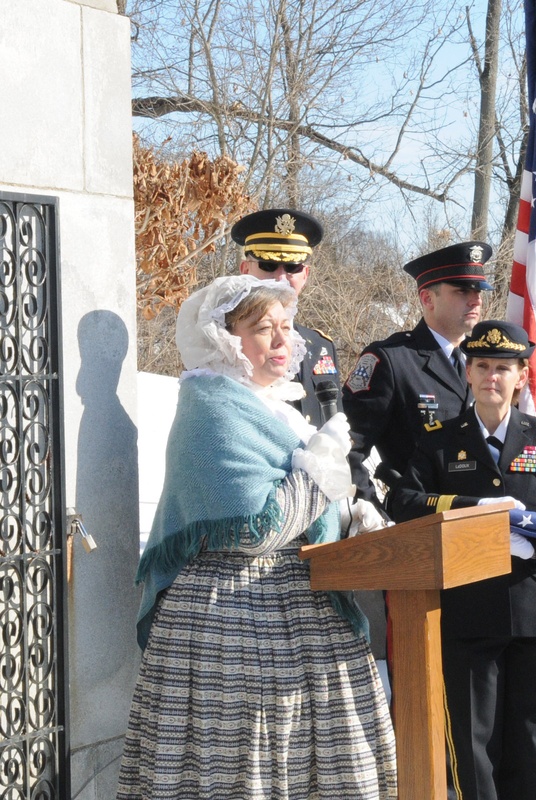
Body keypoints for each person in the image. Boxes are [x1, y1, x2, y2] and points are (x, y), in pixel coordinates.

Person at [116, 276, 396, 800]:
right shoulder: (211, 404)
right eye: (262, 328)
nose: (280, 340)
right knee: (239, 767)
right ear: (227, 337)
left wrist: (348, 516)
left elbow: (303, 506)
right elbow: (256, 527)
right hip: (230, 615)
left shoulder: (283, 408)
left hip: (306, 603)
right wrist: (321, 467)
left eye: (286, 327)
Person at [391, 320, 536, 800]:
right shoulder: (439, 440)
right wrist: (469, 510)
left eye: (504, 368)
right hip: (468, 609)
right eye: (482, 365)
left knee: (534, 746)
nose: (491, 377)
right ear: (467, 370)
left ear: (522, 376)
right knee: (474, 748)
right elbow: (403, 500)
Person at [342, 240, 493, 505]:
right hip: (417, 521)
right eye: (461, 291)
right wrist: (374, 512)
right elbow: (347, 451)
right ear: (427, 298)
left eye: (479, 291)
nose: (475, 300)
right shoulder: (391, 360)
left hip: (478, 520)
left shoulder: (484, 361)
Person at [233, 207, 343, 426]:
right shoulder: (223, 339)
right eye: (268, 265)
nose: (281, 277)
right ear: (245, 269)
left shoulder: (320, 344)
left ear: (305, 275)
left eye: (292, 267)